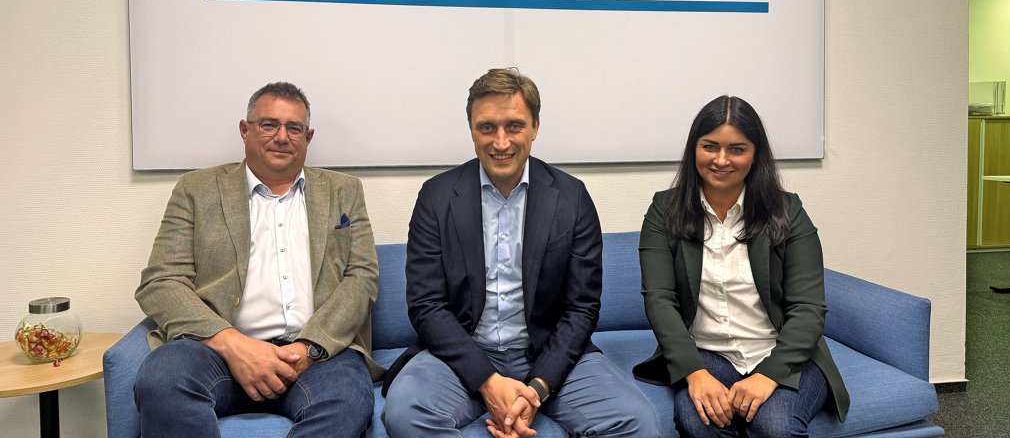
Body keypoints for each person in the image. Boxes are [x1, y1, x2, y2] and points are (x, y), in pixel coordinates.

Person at [382, 68, 658, 438]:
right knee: (405, 414)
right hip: (460, 354)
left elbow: (582, 308)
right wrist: (487, 380)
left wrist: (538, 388)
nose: (501, 142)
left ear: (535, 127)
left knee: (637, 422)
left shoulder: (572, 197)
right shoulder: (436, 197)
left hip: (547, 353)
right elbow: (426, 305)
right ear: (472, 130)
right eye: (487, 127)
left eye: (514, 126)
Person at [134, 82, 381, 438]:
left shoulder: (344, 191)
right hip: (217, 352)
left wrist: (309, 348)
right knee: (162, 378)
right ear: (244, 130)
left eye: (294, 128)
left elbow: (362, 278)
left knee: (348, 398)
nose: (282, 137)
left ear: (308, 137)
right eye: (269, 124)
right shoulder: (196, 190)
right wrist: (232, 344)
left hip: (317, 356)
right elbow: (161, 281)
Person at [632, 95, 850, 438]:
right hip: (707, 354)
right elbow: (659, 299)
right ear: (694, 149)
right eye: (710, 146)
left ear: (755, 154)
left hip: (780, 351)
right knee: (698, 423)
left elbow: (808, 308)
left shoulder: (788, 211)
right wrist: (694, 373)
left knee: (775, 427)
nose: (721, 160)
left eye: (737, 149)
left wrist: (768, 375)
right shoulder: (665, 209)